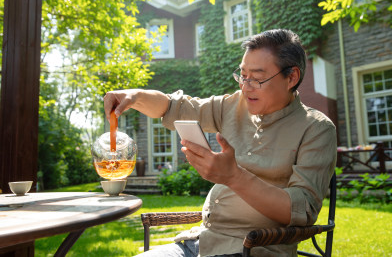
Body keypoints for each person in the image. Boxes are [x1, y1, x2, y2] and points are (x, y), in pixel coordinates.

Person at [103, 29, 337, 257]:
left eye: (256, 79)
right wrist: (135, 97)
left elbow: (302, 210)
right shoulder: (234, 105)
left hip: (255, 249)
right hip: (201, 242)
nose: (245, 87)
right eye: (242, 76)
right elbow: (174, 107)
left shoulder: (316, 129)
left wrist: (233, 176)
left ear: (292, 77)